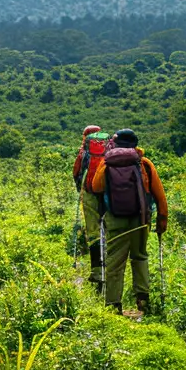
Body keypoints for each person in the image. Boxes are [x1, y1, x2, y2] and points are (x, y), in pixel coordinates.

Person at [88, 129, 168, 316]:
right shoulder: (144, 164)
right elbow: (159, 195)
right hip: (140, 219)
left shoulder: (106, 163)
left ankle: (114, 304)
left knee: (115, 260)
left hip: (115, 218)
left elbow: (96, 186)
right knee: (140, 256)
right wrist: (161, 220)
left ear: (115, 143)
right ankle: (142, 300)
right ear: (135, 144)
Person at [73, 125, 109, 292]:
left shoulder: (84, 152)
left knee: (94, 234)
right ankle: (110, 270)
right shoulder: (109, 149)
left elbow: (76, 174)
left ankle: (96, 273)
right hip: (108, 195)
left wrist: (79, 189)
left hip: (89, 195)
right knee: (108, 232)